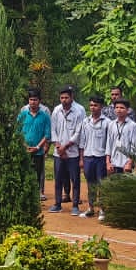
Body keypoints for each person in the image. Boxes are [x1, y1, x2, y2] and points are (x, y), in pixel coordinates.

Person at [49, 86, 84, 214]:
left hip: (73, 153)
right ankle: (57, 204)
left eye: (66, 97)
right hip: (58, 152)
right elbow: (53, 129)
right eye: (62, 98)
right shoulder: (56, 110)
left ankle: (75, 206)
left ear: (72, 97)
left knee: (75, 180)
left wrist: (66, 147)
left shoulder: (79, 111)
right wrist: (58, 146)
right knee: (58, 179)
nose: (64, 100)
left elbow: (79, 132)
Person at [79, 95, 113, 219]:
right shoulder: (85, 121)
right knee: (90, 184)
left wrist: (108, 159)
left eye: (96, 105)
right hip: (88, 156)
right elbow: (82, 141)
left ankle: (102, 209)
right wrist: (81, 159)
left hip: (101, 157)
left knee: (101, 184)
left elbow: (109, 142)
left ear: (101, 107)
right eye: (91, 105)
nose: (93, 107)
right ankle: (91, 208)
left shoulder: (107, 122)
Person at [18, 90, 51, 200]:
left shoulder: (45, 116)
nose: (33, 102)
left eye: (35, 100)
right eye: (31, 99)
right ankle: (24, 198)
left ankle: (35, 199)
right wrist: (24, 146)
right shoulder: (23, 115)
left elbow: (47, 134)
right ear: (28, 101)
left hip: (38, 152)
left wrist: (37, 147)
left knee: (36, 176)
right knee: (23, 174)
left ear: (39, 101)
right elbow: (17, 131)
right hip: (24, 151)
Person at [108, 99, 136, 175]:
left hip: (126, 164)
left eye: (122, 108)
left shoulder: (133, 125)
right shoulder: (111, 124)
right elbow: (108, 145)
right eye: (116, 107)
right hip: (113, 163)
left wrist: (130, 163)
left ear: (128, 110)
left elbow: (135, 146)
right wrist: (108, 162)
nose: (119, 110)